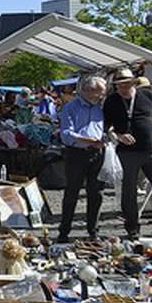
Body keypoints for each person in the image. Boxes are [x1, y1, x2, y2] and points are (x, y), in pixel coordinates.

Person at [103, 68, 152, 239]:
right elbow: (107, 129)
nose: (123, 88)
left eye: (126, 84)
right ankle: (132, 227)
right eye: (119, 85)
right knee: (128, 191)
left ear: (133, 83)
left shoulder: (148, 96)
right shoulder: (111, 101)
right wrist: (119, 136)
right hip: (127, 153)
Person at [57, 76, 107, 243]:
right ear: (88, 91)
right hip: (76, 154)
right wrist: (90, 141)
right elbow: (66, 134)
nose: (102, 95)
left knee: (96, 193)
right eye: (99, 92)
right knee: (72, 192)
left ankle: (93, 230)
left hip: (98, 153)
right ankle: (64, 231)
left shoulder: (101, 108)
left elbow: (106, 128)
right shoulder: (71, 107)